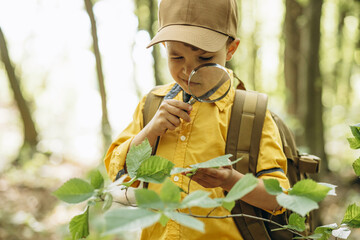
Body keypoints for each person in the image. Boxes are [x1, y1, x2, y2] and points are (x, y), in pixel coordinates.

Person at [104, 0, 290, 239]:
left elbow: (280, 198)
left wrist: (231, 180)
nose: (188, 71)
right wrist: (151, 131)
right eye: (176, 57)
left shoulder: (249, 114)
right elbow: (118, 174)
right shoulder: (152, 104)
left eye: (204, 59)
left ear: (231, 49)